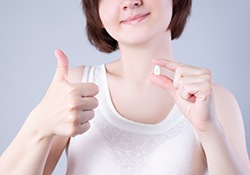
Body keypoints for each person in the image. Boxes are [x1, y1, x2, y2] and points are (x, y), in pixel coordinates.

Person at [0, 0, 250, 174]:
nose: (130, 2)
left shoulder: (215, 100)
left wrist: (209, 129)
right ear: (96, 14)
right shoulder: (77, 87)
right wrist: (39, 126)